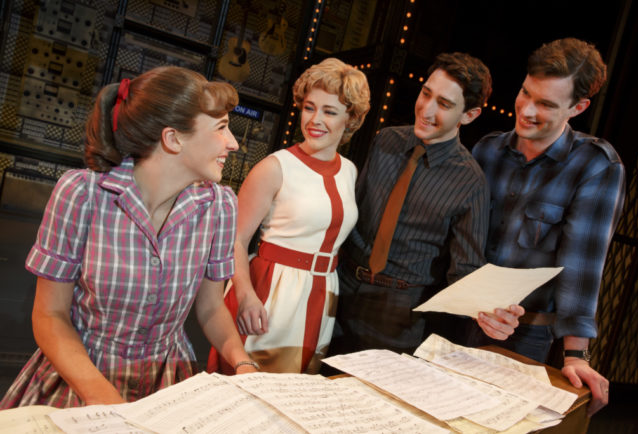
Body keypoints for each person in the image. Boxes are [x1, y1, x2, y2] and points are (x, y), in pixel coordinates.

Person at [0, 66, 259, 409]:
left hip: (168, 381)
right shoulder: (82, 193)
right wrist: (103, 399)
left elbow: (211, 308)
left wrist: (243, 363)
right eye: (222, 128)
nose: (234, 143)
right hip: (83, 376)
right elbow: (50, 316)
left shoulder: (220, 206)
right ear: (173, 138)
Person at [328, 52, 524, 359]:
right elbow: (349, 213)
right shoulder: (385, 141)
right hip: (339, 290)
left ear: (469, 115)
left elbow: (466, 270)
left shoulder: (471, 182)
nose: (426, 109)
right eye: (426, 93)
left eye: (444, 104)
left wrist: (488, 311)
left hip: (399, 316)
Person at [471, 38, 626, 416]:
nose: (526, 109)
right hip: (462, 319)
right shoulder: (486, 151)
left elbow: (581, 266)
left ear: (578, 107)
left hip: (525, 337)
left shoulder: (597, 166)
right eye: (526, 93)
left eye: (546, 104)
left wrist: (577, 355)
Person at [206, 58, 370, 374]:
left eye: (330, 111)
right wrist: (246, 295)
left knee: (297, 393)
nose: (315, 120)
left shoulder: (349, 171)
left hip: (323, 294)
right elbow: (236, 240)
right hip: (273, 290)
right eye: (310, 107)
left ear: (350, 119)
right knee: (254, 389)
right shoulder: (273, 167)